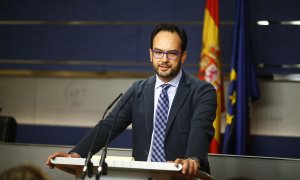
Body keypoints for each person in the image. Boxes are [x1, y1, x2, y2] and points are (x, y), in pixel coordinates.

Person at [46, 23, 217, 177]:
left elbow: (201, 128)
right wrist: (75, 155)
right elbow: (109, 125)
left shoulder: (202, 91)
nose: (164, 59)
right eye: (158, 52)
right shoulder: (138, 90)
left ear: (183, 56)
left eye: (172, 53)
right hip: (143, 176)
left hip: (185, 177)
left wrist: (193, 158)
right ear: (151, 54)